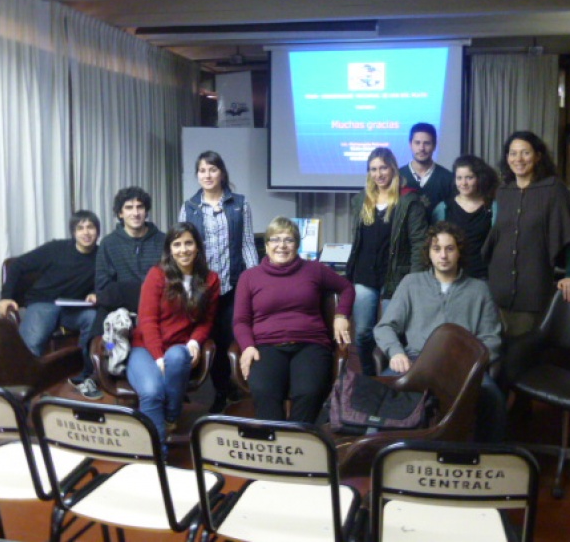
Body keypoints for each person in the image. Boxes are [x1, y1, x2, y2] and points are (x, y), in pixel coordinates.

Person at [374, 221, 506, 442]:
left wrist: (471, 364)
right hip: (416, 361)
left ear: (459, 252)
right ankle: (381, 457)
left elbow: (491, 338)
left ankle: (487, 459)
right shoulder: (411, 283)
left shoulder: (479, 289)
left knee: (492, 398)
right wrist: (396, 352)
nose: (443, 255)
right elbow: (385, 326)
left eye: (449, 248)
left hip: (464, 367)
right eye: (437, 249)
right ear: (429, 253)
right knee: (382, 397)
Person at [233, 216, 354, 423]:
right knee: (264, 390)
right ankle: (275, 439)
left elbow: (347, 288)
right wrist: (248, 346)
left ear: (297, 244)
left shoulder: (314, 269)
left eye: (288, 240)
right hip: (266, 345)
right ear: (267, 244)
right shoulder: (249, 277)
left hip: (310, 343)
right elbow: (241, 320)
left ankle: (298, 439)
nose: (282, 245)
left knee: (309, 391)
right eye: (275, 239)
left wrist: (341, 315)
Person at [482, 131, 570, 339]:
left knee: (523, 350)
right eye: (512, 153)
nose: (518, 159)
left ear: (538, 156)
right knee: (495, 349)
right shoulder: (503, 191)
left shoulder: (554, 189)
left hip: (532, 286)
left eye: (525, 153)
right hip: (498, 285)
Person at [179, 151, 259, 413]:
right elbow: (182, 248)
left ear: (222, 173)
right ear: (197, 175)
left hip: (233, 285)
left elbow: (247, 243)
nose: (207, 175)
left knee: (231, 338)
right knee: (208, 337)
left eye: (212, 169)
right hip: (202, 287)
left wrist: (256, 279)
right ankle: (218, 390)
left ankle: (235, 388)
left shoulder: (239, 204)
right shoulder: (189, 207)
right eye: (202, 170)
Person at [127, 222, 220, 441]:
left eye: (189, 243)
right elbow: (147, 320)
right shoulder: (157, 275)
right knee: (152, 393)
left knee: (178, 356)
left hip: (179, 347)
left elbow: (206, 321)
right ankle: (159, 456)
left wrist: (195, 342)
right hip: (145, 347)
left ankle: (170, 418)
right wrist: (158, 357)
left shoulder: (210, 279)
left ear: (198, 247)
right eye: (177, 244)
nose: (183, 249)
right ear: (170, 249)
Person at [0, 210, 101, 390]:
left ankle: (82, 374)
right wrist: (6, 297)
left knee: (93, 318)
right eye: (80, 228)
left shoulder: (102, 256)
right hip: (43, 302)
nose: (86, 233)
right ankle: (20, 387)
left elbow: (107, 281)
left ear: (97, 231)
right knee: (33, 342)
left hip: (72, 308)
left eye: (90, 227)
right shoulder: (56, 249)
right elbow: (18, 266)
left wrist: (96, 292)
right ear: (73, 232)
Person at [346, 147, 427, 376]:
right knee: (362, 332)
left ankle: (392, 381)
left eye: (383, 168)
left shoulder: (409, 200)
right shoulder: (361, 200)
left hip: (396, 277)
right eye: (373, 169)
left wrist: (414, 279)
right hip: (364, 275)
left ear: (393, 168)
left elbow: (420, 243)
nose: (379, 174)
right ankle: (370, 377)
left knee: (394, 333)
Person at [90, 186, 165, 399]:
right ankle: (99, 372)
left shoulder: (162, 241)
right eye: (129, 207)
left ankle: (157, 381)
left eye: (140, 207)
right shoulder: (109, 244)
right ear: (120, 213)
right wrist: (139, 291)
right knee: (101, 332)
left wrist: (127, 290)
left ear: (146, 211)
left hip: (155, 306)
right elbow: (103, 287)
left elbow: (168, 283)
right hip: (119, 308)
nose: (135, 212)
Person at [432, 155, 499, 279]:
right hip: (450, 277)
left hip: (483, 277)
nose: (463, 183)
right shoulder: (443, 208)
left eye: (469, 177)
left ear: (479, 178)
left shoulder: (493, 207)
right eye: (459, 178)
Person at [398, 122, 454, 216]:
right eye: (417, 143)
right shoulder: (397, 176)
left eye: (427, 143)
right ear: (410, 144)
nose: (421, 148)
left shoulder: (448, 178)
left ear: (434, 145)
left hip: (438, 230)